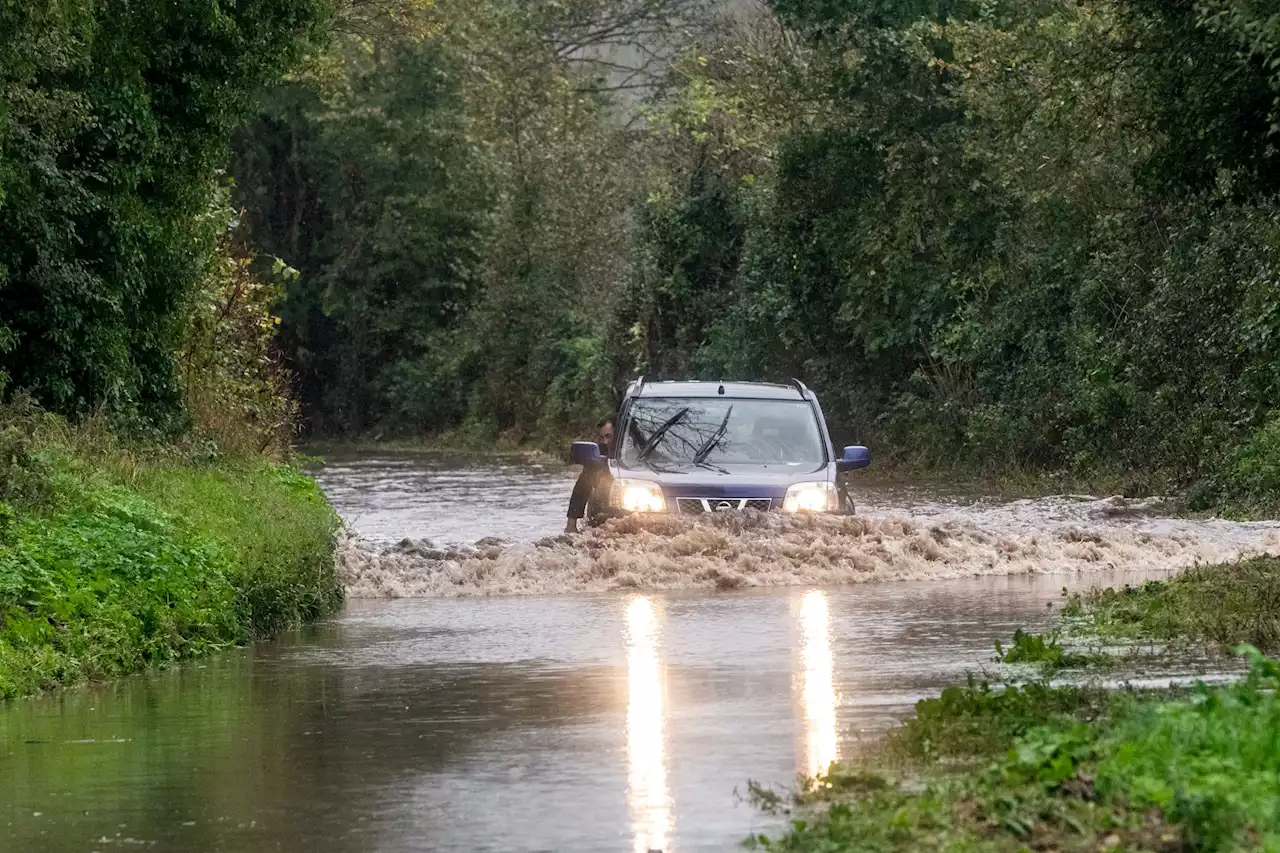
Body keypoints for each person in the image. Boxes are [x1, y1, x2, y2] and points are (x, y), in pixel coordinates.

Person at [565, 415, 615, 534]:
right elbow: (582, 487)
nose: (606, 442)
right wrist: (571, 524)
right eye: (602, 438)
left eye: (609, 436)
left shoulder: (644, 451)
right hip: (603, 513)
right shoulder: (598, 454)